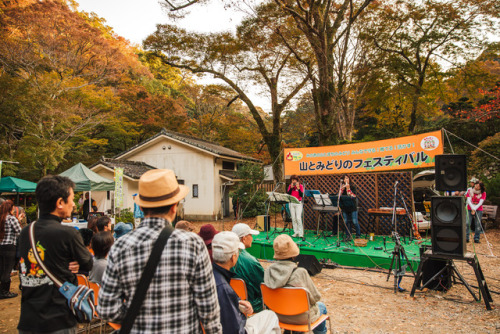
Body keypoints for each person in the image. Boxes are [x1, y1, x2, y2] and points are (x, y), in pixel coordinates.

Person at [98, 169, 221, 333]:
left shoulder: (120, 246)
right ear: (174, 207)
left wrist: (140, 316)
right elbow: (208, 308)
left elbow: (107, 309)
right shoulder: (193, 244)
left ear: (141, 207)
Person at [17, 175, 93, 333]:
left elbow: (21, 265)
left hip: (28, 319)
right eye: (72, 199)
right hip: (58, 319)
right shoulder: (68, 233)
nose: (73, 204)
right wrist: (77, 262)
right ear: (60, 203)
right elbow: (88, 263)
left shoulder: (26, 232)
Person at [212, 231, 280, 334]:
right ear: (233, 257)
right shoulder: (223, 287)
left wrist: (237, 303)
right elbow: (234, 328)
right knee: (270, 316)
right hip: (236, 329)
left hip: (219, 324)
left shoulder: (208, 275)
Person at [264, 234, 328, 334]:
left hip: (277, 315)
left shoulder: (268, 271)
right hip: (301, 317)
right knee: (321, 306)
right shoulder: (300, 272)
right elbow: (315, 297)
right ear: (293, 254)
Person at [231, 223, 265, 313]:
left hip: (231, 300)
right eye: (250, 235)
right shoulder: (251, 262)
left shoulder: (225, 257)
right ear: (244, 238)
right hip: (250, 303)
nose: (252, 238)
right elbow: (263, 285)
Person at [0, 200, 22, 299]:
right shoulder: (11, 219)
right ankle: (5, 291)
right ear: (11, 208)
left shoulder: (1, 218)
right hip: (9, 246)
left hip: (1, 245)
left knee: (1, 269)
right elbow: (19, 232)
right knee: (7, 270)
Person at [339, 174, 361, 240]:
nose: (346, 180)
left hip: (353, 206)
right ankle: (348, 235)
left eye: (347, 178)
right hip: (345, 207)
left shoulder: (353, 187)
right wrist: (342, 190)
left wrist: (348, 189)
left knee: (355, 221)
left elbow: (352, 196)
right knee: (346, 221)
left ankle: (358, 235)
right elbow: (339, 197)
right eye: (345, 178)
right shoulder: (342, 187)